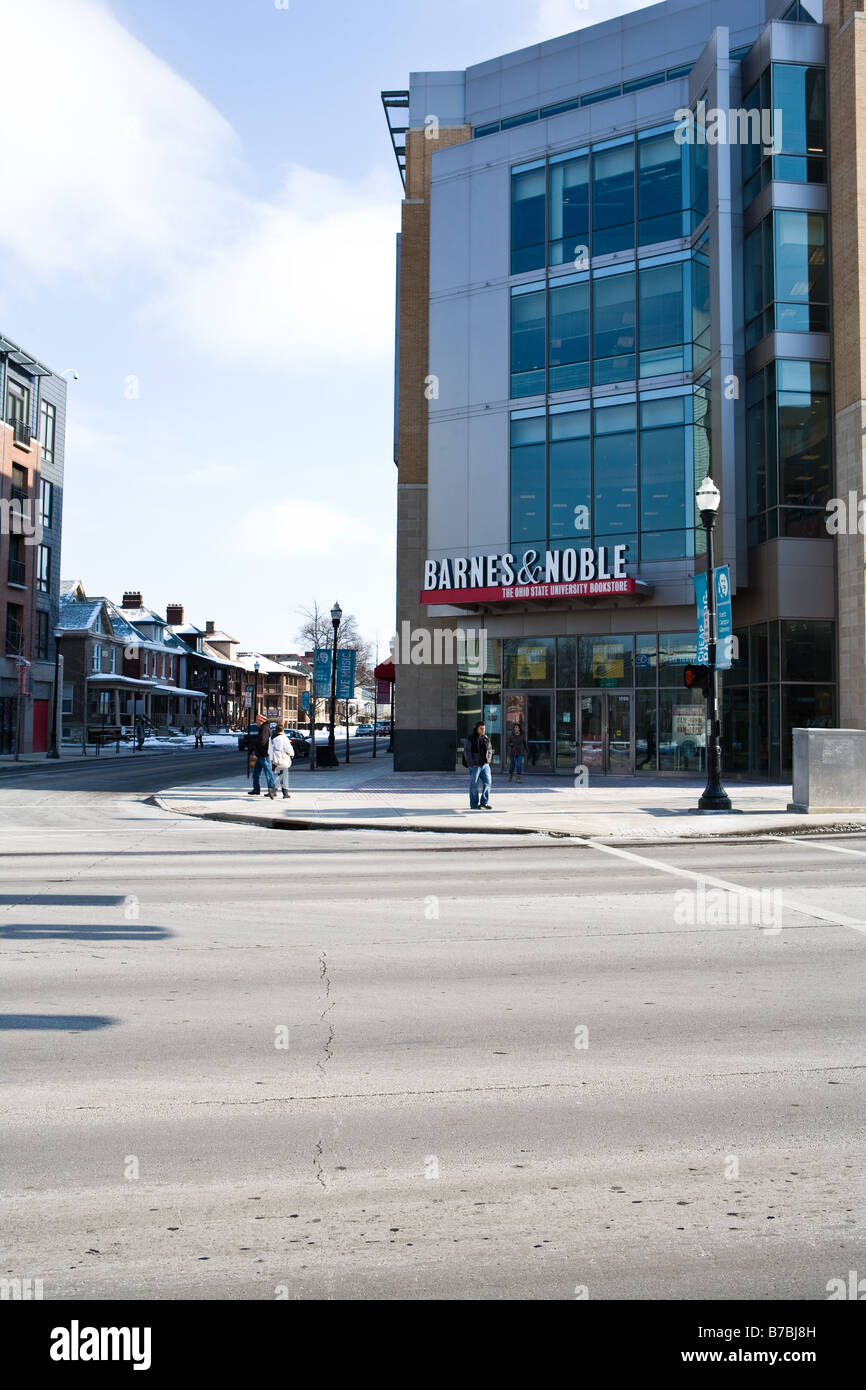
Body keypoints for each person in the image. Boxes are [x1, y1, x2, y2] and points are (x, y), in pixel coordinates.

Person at [462, 720, 493, 809]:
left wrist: (488, 761)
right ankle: (474, 804)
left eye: (484, 729)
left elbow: (490, 750)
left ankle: (484, 802)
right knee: (474, 785)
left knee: (488, 783)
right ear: (477, 729)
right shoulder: (470, 738)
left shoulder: (486, 738)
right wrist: (471, 764)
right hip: (475, 766)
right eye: (481, 729)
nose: (483, 730)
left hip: (485, 765)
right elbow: (467, 752)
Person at [248, 714, 277, 799]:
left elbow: (262, 742)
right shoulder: (263, 728)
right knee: (256, 773)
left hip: (264, 755)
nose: (256, 722)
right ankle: (256, 789)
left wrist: (255, 744)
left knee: (268, 772)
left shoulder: (265, 729)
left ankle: (272, 790)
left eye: (257, 720)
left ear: (262, 720)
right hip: (260, 754)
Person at [269, 722, 294, 799]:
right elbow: (288, 748)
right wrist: (291, 754)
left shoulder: (272, 738)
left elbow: (269, 749)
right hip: (283, 758)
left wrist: (271, 758)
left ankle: (283, 792)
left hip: (275, 759)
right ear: (283, 730)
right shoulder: (284, 738)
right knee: (284, 775)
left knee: (281, 774)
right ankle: (276, 789)